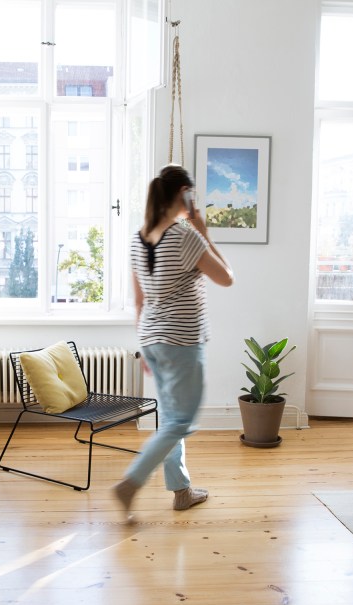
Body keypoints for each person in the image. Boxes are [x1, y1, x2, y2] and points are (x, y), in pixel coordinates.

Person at [113, 164, 234, 521]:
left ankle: (181, 491)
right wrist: (205, 232)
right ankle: (130, 483)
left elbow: (139, 300)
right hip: (181, 340)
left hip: (153, 338)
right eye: (191, 195)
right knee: (180, 421)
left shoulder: (139, 238)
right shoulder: (185, 236)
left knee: (169, 418)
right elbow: (227, 278)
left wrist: (144, 345)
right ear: (184, 194)